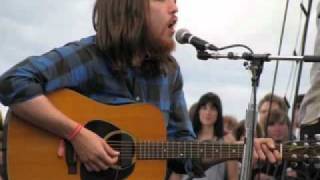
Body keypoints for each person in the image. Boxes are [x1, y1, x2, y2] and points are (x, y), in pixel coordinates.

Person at [0, 0, 280, 179]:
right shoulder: (89, 56)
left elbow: (184, 152)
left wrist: (235, 150)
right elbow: (13, 82)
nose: (175, 7)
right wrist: (76, 134)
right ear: (129, 9)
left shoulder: (169, 72)